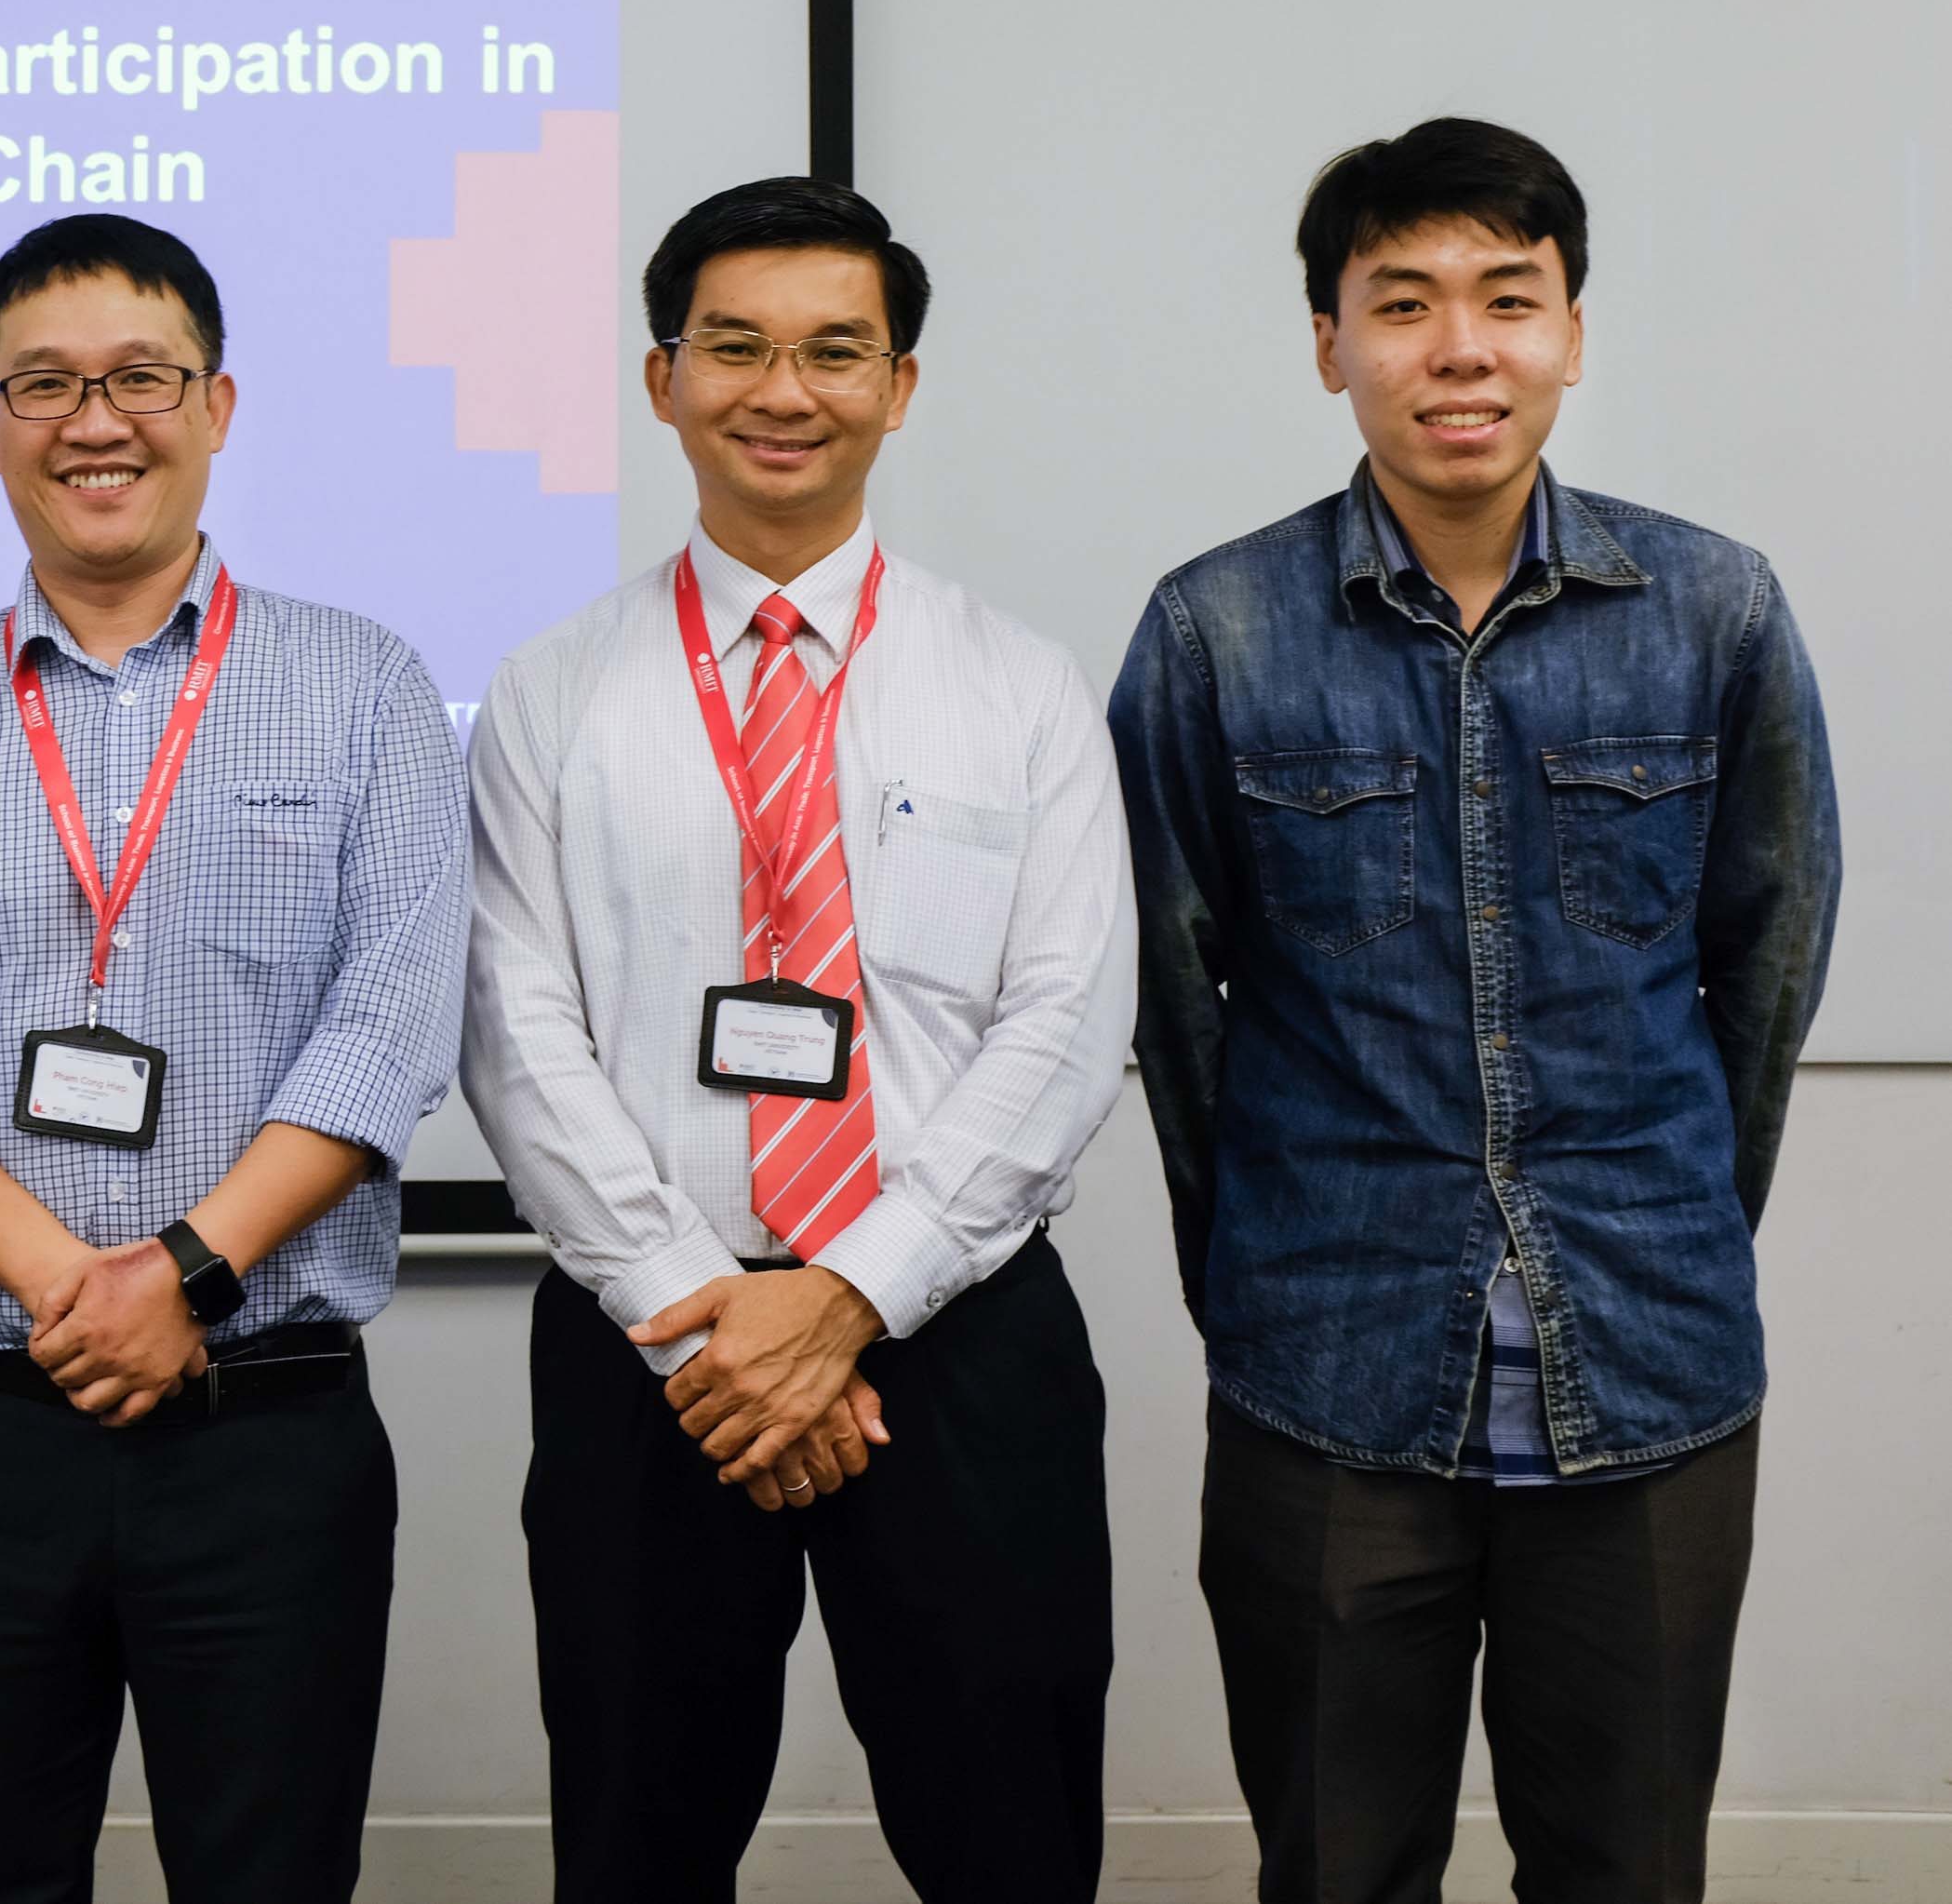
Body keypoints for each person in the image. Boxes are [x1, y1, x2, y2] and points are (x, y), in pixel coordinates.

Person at [1110, 118, 1840, 1904]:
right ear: (1328, 342)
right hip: (1328, 1366)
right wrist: (1267, 1255)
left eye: (1508, 299)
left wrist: (1669, 1219)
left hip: (1650, 1361)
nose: (1461, 348)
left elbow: (1768, 959)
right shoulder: (1215, 629)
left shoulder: (1715, 607)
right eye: (1404, 301)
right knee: (1339, 1866)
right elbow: (1166, 999)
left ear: (1573, 331)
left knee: (1627, 1866)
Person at [460, 177, 1133, 1904]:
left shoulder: (1019, 684)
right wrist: (705, 1313)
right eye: (735, 347)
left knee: (1011, 1833)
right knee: (636, 1832)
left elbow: (1067, 1025)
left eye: (837, 350)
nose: (785, 389)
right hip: (648, 1343)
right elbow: (515, 1025)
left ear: (900, 385)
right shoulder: (550, 688)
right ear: (660, 375)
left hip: (956, 1332)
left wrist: (844, 1298)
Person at [0, 212, 464, 1904]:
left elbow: (389, 1028)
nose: (98, 421)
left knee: (271, 1873)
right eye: (45, 384)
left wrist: (183, 1274)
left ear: (217, 403)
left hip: (266, 1422)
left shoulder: (367, 688)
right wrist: (77, 1289)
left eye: (142, 377)